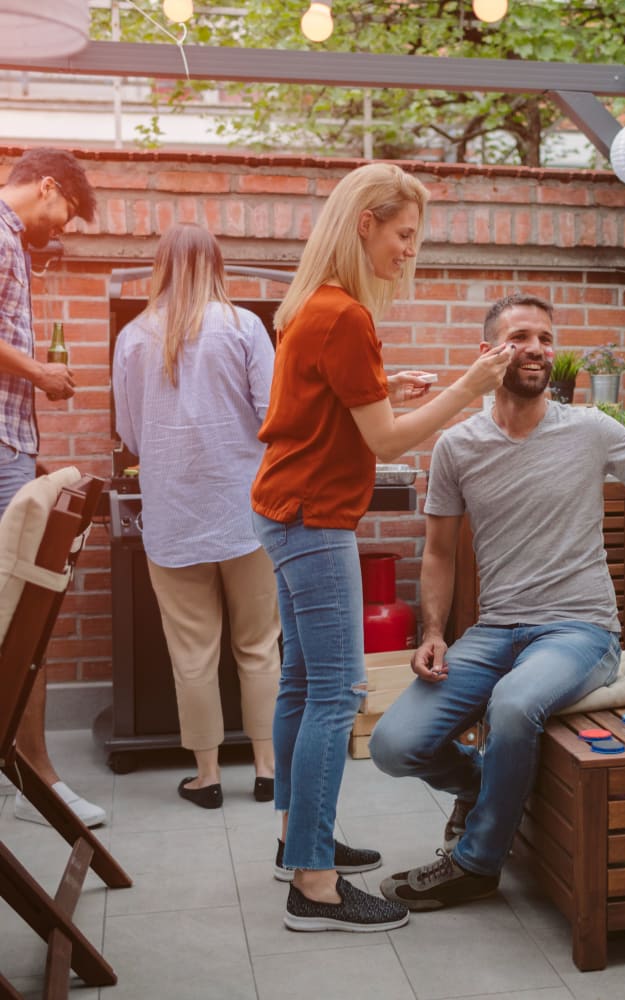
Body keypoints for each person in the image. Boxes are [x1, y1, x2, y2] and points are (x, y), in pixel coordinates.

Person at [369, 292, 625, 913]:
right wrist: (432, 633)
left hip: (581, 632)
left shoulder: (590, 430)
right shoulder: (457, 446)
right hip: (496, 630)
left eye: (546, 339)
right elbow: (440, 553)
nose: (537, 349)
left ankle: (476, 863)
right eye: (520, 336)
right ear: (488, 353)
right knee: (394, 744)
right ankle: (486, 789)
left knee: (515, 702)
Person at [250, 162, 513, 934]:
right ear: (365, 222)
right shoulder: (344, 314)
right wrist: (469, 388)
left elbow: (328, 408)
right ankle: (315, 887)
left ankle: (301, 841)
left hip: (286, 510)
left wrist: (383, 385)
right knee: (335, 694)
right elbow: (387, 440)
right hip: (313, 518)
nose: (411, 250)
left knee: (302, 684)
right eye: (404, 234)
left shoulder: (314, 306)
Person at [112, 223, 280, 808]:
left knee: (192, 651)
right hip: (248, 513)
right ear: (217, 265)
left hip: (174, 515)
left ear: (160, 266)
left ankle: (206, 778)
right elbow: (272, 416)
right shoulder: (245, 327)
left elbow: (130, 435)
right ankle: (267, 770)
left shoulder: (134, 335)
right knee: (260, 645)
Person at [0, 147, 104, 827]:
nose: (60, 226)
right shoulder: (1, 235)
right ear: (47, 187)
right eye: (65, 210)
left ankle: (25, 774)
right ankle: (34, 777)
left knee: (16, 610)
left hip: (9, 443)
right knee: (25, 610)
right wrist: (41, 375)